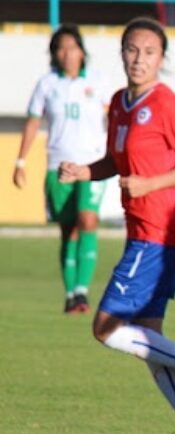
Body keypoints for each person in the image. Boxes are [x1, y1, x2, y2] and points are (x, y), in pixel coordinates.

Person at [58, 17, 175, 434]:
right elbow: (120, 161)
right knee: (150, 340)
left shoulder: (168, 104)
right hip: (146, 230)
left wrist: (151, 184)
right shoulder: (118, 102)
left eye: (149, 52)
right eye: (132, 50)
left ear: (161, 59)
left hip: (158, 231)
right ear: (121, 54)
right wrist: (85, 171)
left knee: (106, 328)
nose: (139, 59)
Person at [13, 24, 110, 314]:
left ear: (82, 51)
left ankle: (83, 291)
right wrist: (20, 162)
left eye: (73, 47)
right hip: (58, 165)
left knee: (88, 220)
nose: (68, 53)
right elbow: (32, 121)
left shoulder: (98, 81)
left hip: (92, 164)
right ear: (55, 53)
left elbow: (115, 116)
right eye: (61, 48)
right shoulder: (47, 84)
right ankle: (70, 295)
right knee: (69, 231)